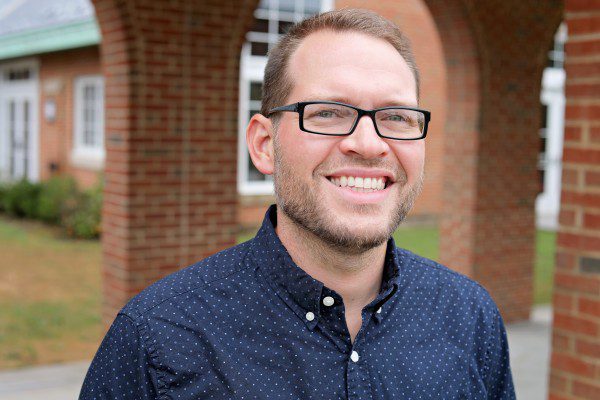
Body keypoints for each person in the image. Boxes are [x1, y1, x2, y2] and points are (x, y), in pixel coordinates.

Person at [80, 8, 515, 399]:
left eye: (396, 117)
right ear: (265, 144)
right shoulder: (159, 338)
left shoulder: (469, 316)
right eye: (328, 112)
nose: (368, 143)